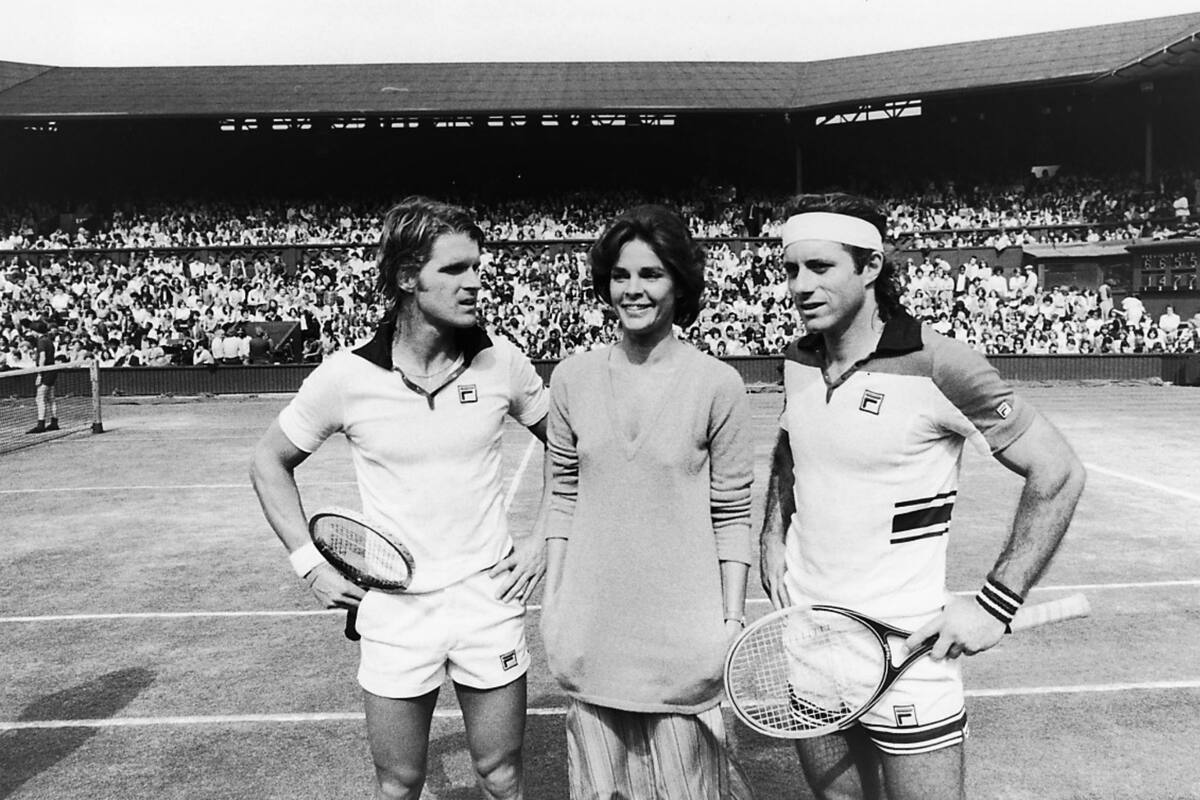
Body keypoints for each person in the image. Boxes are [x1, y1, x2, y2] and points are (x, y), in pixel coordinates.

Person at [759, 193, 1086, 800]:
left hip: (907, 651)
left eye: (821, 267)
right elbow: (790, 448)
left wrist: (993, 606)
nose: (800, 286)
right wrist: (772, 533)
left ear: (872, 267)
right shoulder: (798, 359)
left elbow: (1058, 471)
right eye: (791, 269)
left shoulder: (940, 364)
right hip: (809, 637)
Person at [250, 196, 550, 800]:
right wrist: (309, 564)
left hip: (486, 601)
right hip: (394, 610)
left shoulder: (503, 364)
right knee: (398, 783)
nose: (474, 282)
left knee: (502, 774)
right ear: (408, 277)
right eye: (455, 269)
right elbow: (268, 463)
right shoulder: (345, 376)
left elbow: (568, 450)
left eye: (477, 267)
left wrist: (544, 537)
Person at [542, 204, 756, 800]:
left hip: (683, 638)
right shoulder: (571, 379)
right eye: (620, 275)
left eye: (651, 274)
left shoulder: (719, 384)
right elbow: (561, 495)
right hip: (592, 630)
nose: (633, 289)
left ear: (679, 284)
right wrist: (554, 607)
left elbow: (732, 512)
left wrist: (729, 623)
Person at [25, 321, 58, 433]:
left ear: (35, 331)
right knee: (50, 398)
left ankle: (41, 424)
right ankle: (54, 422)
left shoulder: (41, 342)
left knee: (40, 398)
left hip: (46, 372)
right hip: (52, 371)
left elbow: (43, 358)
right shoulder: (48, 340)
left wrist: (40, 374)